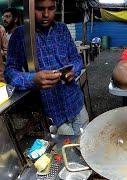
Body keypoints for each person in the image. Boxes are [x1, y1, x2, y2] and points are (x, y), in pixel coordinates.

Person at [4, 0, 88, 136]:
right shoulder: (20, 36)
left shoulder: (62, 30)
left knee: (86, 145)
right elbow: (9, 73)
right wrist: (32, 79)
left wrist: (73, 71)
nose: (46, 14)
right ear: (31, 9)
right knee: (67, 153)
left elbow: (76, 59)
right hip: (53, 116)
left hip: (76, 103)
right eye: (40, 9)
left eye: (51, 8)